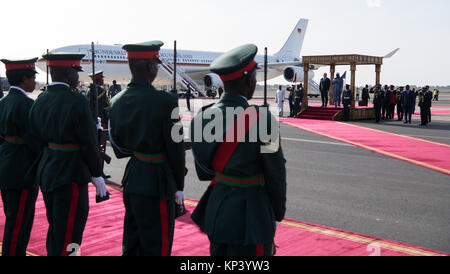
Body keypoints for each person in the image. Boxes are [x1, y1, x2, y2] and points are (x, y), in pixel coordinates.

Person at [190, 44, 286, 256]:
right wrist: (276, 215)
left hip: (218, 211)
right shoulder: (262, 120)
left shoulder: (202, 117)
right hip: (253, 217)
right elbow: (276, 175)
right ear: (247, 81)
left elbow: (203, 172)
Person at [108, 41, 186, 256]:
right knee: (157, 247)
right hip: (157, 182)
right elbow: (176, 148)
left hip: (132, 178)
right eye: (156, 64)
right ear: (151, 66)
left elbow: (118, 148)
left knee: (131, 245)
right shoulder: (165, 101)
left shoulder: (116, 101)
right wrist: (179, 186)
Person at [28, 53, 108, 256]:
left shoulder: (40, 100)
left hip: (48, 171)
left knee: (56, 229)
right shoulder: (76, 101)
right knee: (70, 234)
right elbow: (89, 144)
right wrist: (97, 174)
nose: (77, 76)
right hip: (70, 173)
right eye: (75, 70)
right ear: (66, 72)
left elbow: (36, 139)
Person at [0, 58, 40, 256]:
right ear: (24, 79)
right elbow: (35, 140)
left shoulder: (3, 102)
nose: (34, 82)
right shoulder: (27, 104)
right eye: (33, 77)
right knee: (19, 224)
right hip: (22, 169)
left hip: (6, 165)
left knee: (13, 218)